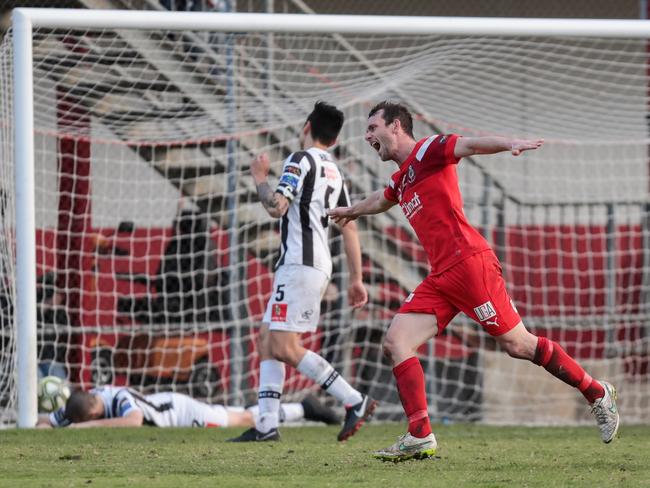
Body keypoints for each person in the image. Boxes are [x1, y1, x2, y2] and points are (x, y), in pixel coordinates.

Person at [328, 101, 619, 462]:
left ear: (396, 127)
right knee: (396, 342)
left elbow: (469, 145)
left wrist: (509, 142)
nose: (367, 135)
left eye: (373, 128)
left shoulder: (429, 149)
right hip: (440, 277)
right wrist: (350, 210)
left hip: (470, 266)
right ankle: (420, 435)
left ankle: (596, 393)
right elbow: (381, 200)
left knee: (519, 345)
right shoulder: (401, 177)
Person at [229, 101, 377, 443]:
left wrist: (260, 178)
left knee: (283, 346)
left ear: (307, 127)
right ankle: (266, 425)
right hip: (314, 264)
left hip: (300, 264)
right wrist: (356, 279)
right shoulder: (335, 171)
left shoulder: (300, 159)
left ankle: (354, 400)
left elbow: (276, 207)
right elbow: (349, 228)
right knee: (267, 338)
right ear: (336, 140)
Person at [36, 386, 340, 429]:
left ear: (93, 413)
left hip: (180, 413)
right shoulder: (84, 401)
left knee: (243, 419)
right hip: (169, 408)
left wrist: (84, 428)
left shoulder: (118, 399)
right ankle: (304, 407)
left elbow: (133, 421)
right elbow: (45, 422)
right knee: (238, 412)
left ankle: (304, 407)